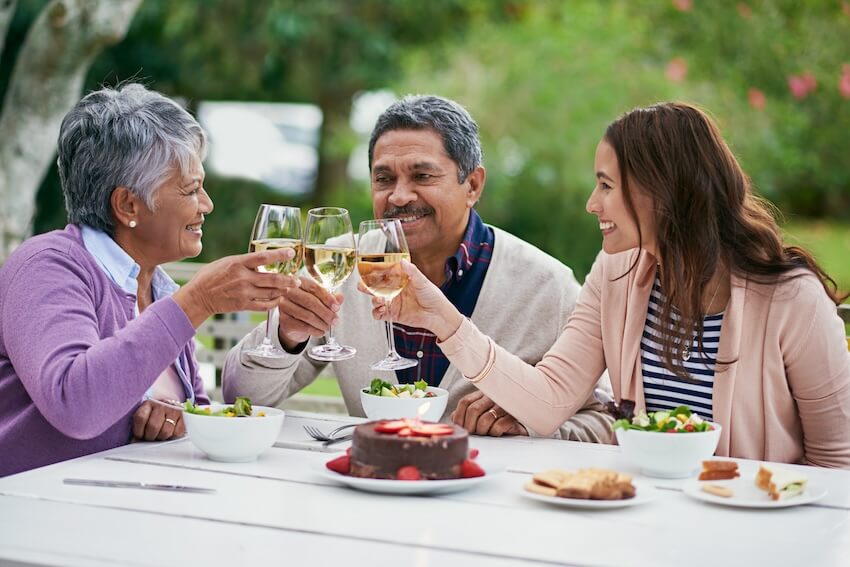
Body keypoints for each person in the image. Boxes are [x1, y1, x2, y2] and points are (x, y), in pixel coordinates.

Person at [367, 101, 850, 468]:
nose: (591, 204)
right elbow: (549, 399)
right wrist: (442, 318)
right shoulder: (615, 275)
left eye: (606, 185)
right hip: (642, 519)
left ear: (661, 191)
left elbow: (839, 458)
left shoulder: (792, 298)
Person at [223, 95, 613, 441]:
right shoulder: (337, 266)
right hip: (368, 489)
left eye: (422, 176)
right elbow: (241, 398)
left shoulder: (547, 285)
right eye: (384, 178)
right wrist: (287, 334)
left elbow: (607, 420)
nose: (399, 195)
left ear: (473, 185)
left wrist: (529, 425)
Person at [0, 84, 297, 476]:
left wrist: (174, 419)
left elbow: (193, 418)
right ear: (128, 205)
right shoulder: (47, 266)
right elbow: (74, 402)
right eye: (191, 190)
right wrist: (198, 302)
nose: (206, 205)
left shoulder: (156, 287)